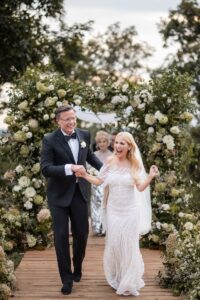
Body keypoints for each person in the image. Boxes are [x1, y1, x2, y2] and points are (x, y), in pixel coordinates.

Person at [75, 131, 159, 296]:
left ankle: (128, 281)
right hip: (113, 210)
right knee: (115, 244)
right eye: (117, 142)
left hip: (130, 211)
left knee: (129, 244)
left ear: (129, 147)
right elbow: (99, 181)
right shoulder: (109, 161)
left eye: (122, 143)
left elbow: (140, 188)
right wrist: (85, 175)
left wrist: (150, 176)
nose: (118, 146)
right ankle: (118, 276)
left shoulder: (135, 164)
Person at [40, 105, 102, 295]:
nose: (71, 122)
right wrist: (69, 167)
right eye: (67, 119)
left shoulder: (84, 134)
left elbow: (89, 156)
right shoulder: (49, 139)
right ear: (58, 121)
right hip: (58, 195)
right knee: (60, 237)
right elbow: (46, 168)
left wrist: (107, 170)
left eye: (73, 118)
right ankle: (66, 279)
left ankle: (78, 266)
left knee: (82, 234)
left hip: (80, 191)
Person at [90, 130, 112, 235]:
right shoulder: (93, 155)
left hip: (108, 184)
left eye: (104, 141)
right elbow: (88, 167)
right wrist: (92, 172)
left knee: (106, 204)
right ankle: (97, 228)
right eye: (100, 141)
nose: (102, 143)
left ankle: (106, 228)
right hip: (96, 184)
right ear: (97, 143)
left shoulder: (112, 155)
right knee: (96, 205)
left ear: (108, 143)